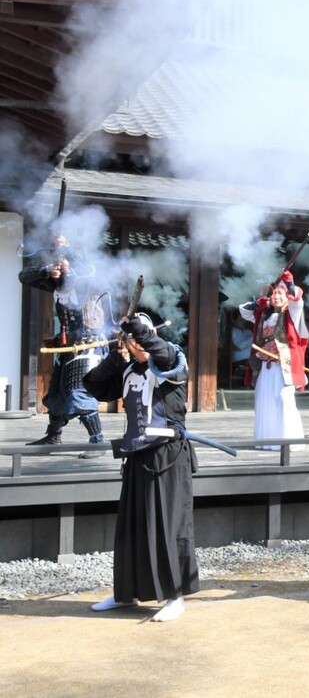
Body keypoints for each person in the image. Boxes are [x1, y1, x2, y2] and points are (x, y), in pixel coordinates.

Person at [82, 312, 199, 621]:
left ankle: (175, 595)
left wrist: (139, 332)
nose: (136, 341)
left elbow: (159, 351)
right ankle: (126, 592)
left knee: (167, 525)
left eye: (140, 335)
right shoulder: (129, 369)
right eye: (131, 337)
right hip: (136, 453)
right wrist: (115, 353)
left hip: (167, 454)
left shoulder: (172, 359)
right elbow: (92, 385)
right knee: (131, 527)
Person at [18, 234, 109, 458]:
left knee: (78, 391)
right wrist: (48, 271)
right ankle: (53, 435)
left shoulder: (86, 277)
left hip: (87, 343)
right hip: (67, 342)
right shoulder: (56, 282)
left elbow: (88, 270)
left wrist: (66, 253)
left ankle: (97, 442)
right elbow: (24, 275)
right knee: (56, 391)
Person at [239, 271, 309, 451]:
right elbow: (244, 310)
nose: (277, 296)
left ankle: (289, 442)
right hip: (266, 366)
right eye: (274, 293)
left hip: (283, 367)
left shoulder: (292, 313)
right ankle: (267, 441)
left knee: (284, 399)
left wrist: (291, 283)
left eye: (281, 293)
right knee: (264, 401)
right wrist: (258, 303)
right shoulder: (264, 314)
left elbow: (298, 300)